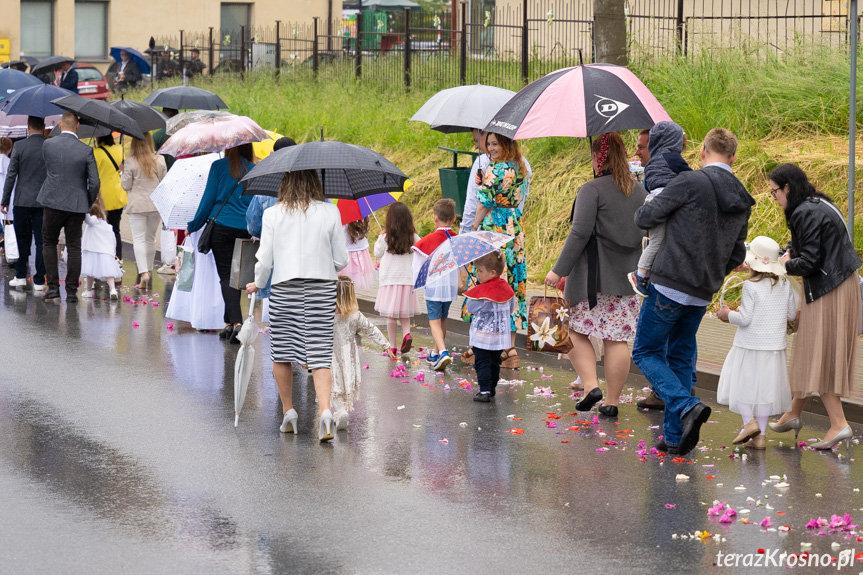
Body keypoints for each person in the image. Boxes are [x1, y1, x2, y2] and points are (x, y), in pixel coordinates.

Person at [630, 128, 754, 456]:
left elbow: (647, 217)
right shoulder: (742, 197)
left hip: (669, 282)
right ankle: (674, 437)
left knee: (645, 352)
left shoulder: (690, 182)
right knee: (681, 355)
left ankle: (686, 406)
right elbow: (738, 255)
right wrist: (713, 273)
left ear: (702, 152)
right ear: (733, 157)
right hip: (702, 292)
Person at [544, 132, 647, 417]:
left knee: (570, 330)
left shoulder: (591, 189)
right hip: (626, 279)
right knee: (616, 340)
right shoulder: (639, 190)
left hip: (591, 278)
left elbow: (579, 233)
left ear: (595, 157)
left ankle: (591, 386)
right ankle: (612, 401)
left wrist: (557, 270)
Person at [246, 169, 348, 442]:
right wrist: (326, 264)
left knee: (282, 351)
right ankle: (325, 412)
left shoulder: (273, 214)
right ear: (316, 183)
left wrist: (258, 282)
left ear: (284, 183)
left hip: (284, 286)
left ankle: (289, 412)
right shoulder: (330, 212)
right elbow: (341, 259)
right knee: (319, 351)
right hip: (321, 287)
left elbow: (265, 259)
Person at [767, 163, 860, 450]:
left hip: (828, 289)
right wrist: (788, 252)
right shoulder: (817, 203)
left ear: (788, 188)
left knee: (819, 354)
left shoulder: (803, 212)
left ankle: (838, 424)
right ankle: (793, 413)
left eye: (775, 192)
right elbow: (811, 247)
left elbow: (809, 262)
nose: (774, 198)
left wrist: (781, 265)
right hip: (841, 284)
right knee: (814, 351)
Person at [715, 236, 797, 449]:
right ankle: (759, 438)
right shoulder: (785, 283)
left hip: (749, 345)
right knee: (764, 392)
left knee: (742, 385)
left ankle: (748, 423)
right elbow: (790, 314)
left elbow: (745, 319)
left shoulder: (750, 286)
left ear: (751, 261)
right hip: (774, 348)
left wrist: (728, 314)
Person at [468, 132, 528, 368]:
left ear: (505, 145)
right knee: (512, 281)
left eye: (495, 144)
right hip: (514, 227)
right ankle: (510, 349)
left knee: (490, 281)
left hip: (494, 227)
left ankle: (487, 346)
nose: (490, 148)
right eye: (489, 144)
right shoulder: (519, 167)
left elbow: (483, 202)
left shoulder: (496, 169)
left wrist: (474, 226)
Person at [189, 144, 255, 343]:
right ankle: (228, 324)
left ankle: (237, 323)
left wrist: (193, 225)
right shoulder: (253, 169)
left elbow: (207, 201)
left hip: (221, 227)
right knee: (237, 277)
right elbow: (254, 204)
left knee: (226, 277)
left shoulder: (218, 167)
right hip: (245, 228)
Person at [38, 112, 100, 303]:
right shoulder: (86, 150)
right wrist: (87, 201)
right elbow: (95, 182)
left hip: (52, 200)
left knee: (49, 241)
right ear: (77, 127)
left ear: (59, 124)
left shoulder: (48, 144)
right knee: (74, 246)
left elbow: (49, 169)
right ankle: (72, 292)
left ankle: (53, 288)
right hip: (76, 203)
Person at [628, 121, 691, 297]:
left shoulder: (653, 163)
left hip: (654, 200)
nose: (636, 152)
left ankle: (644, 274)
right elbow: (690, 176)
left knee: (657, 241)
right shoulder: (671, 159)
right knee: (656, 242)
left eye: (641, 147)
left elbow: (649, 185)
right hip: (662, 201)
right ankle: (640, 275)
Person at [330, 275, 395, 430]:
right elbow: (370, 329)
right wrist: (386, 345)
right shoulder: (355, 315)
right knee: (345, 382)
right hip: (349, 355)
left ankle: (340, 410)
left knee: (334, 383)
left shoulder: (327, 314)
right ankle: (342, 411)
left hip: (331, 353)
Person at [246, 137, 297, 323]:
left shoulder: (265, 186)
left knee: (279, 315)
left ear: (272, 154)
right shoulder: (312, 186)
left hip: (276, 261)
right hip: (304, 265)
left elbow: (252, 224)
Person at [412, 198, 458, 371]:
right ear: (454, 219)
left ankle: (444, 352)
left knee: (433, 321)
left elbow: (417, 266)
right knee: (443, 319)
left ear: (434, 218)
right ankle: (435, 352)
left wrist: (415, 284)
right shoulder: (457, 240)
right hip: (450, 287)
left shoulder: (427, 241)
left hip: (433, 287)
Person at [2, 116, 47, 291]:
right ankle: (39, 280)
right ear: (43, 127)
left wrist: (5, 200)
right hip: (43, 201)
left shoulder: (19, 146)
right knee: (42, 241)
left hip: (22, 201)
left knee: (21, 238)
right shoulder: (49, 145)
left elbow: (11, 175)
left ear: (28, 127)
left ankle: (20, 275)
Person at [465, 251, 515, 403]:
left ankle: (484, 390)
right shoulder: (506, 288)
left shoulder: (482, 292)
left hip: (482, 335)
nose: (477, 274)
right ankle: (492, 386)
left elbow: (471, 308)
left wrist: (477, 292)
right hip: (499, 335)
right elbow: (511, 307)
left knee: (482, 362)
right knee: (494, 362)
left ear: (492, 272)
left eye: (480, 271)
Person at [121, 133, 167, 291]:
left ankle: (144, 273)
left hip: (137, 206)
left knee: (139, 239)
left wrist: (122, 172)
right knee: (150, 239)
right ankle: (149, 270)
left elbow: (126, 185)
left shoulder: (131, 161)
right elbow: (164, 182)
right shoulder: (159, 159)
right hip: (155, 205)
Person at [373, 202, 420, 356]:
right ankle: (407, 334)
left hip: (389, 280)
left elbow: (377, 253)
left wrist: (379, 238)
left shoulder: (386, 236)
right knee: (404, 313)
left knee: (391, 316)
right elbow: (420, 250)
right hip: (407, 279)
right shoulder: (413, 237)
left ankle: (392, 346)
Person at [80, 195, 122, 301]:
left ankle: (88, 290)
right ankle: (112, 290)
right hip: (105, 252)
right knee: (109, 274)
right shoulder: (106, 225)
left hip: (91, 250)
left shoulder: (91, 222)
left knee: (90, 273)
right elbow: (113, 239)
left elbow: (88, 219)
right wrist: (113, 251)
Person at [92, 134, 127, 262]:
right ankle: (117, 259)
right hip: (118, 196)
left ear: (98, 137)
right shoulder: (119, 149)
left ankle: (103, 260)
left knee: (100, 231)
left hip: (102, 199)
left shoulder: (95, 153)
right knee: (115, 229)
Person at [343, 218, 375, 290]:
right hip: (361, 253)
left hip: (347, 254)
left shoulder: (343, 221)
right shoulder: (363, 217)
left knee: (345, 283)